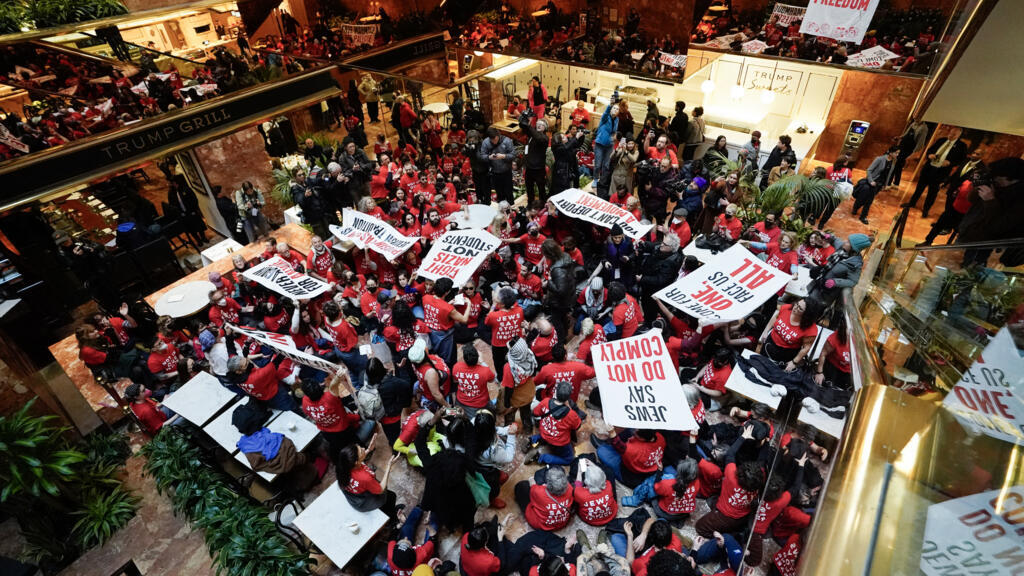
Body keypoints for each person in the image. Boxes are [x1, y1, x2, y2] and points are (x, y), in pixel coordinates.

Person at [233, 400, 320, 492]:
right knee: (306, 456)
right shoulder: (272, 437)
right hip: (304, 470)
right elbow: (288, 444)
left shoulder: (245, 446)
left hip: (291, 479)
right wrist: (304, 457)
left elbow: (257, 465)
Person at [905, 126, 967, 218]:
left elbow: (961, 160)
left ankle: (926, 209)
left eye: (954, 135)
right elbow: (930, 150)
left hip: (941, 172)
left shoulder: (962, 146)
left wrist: (950, 163)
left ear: (958, 135)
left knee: (932, 192)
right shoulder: (941, 140)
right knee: (919, 188)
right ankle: (911, 203)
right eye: (950, 133)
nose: (951, 135)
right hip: (929, 168)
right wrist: (929, 155)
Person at [336, 442, 401, 516]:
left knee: (390, 497)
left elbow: (358, 461)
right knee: (391, 497)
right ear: (356, 463)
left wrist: (369, 450)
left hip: (354, 496)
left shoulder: (343, 466)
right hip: (363, 501)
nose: (364, 448)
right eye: (361, 451)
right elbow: (381, 489)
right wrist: (389, 466)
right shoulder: (365, 478)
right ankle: (392, 519)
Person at [526, 382, 582, 466]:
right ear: (568, 398)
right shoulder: (571, 414)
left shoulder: (545, 402)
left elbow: (535, 413)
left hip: (545, 431)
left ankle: (531, 440)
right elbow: (577, 426)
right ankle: (540, 457)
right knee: (569, 459)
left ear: (555, 392)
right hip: (558, 442)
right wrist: (569, 407)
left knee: (546, 434)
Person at [758, 298, 822, 370]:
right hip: (770, 343)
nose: (795, 308)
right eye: (796, 304)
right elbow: (775, 318)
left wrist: (794, 362)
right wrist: (766, 331)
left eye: (800, 309)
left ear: (807, 314)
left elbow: (806, 348)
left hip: (786, 353)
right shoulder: (786, 308)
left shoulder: (811, 330)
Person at [808, 233, 870, 304]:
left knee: (812, 306)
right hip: (819, 281)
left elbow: (853, 281)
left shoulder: (855, 264)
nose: (844, 242)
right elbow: (835, 239)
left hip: (826, 293)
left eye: (848, 242)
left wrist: (835, 282)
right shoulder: (842, 248)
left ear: (853, 247)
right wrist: (829, 236)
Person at [421, 278, 468, 368]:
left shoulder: (425, 298)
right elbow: (464, 319)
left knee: (435, 356)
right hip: (444, 336)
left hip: (430, 332)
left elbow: (437, 307)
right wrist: (469, 304)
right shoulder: (448, 308)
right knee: (448, 360)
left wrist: (448, 304)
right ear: (447, 292)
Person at [225, 353, 297, 411]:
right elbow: (274, 364)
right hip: (277, 396)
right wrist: (283, 351)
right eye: (246, 364)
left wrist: (229, 337)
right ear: (239, 371)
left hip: (263, 396)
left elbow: (231, 351)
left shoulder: (233, 376)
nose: (249, 362)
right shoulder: (255, 378)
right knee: (292, 407)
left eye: (247, 360)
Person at [515, 465, 574, 532]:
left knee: (522, 486)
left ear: (547, 484)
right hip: (562, 523)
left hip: (541, 525)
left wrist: (532, 479)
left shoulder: (538, 492)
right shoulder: (570, 488)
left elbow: (532, 483)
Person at [851, 148, 896, 225]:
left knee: (868, 200)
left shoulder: (893, 163)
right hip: (871, 182)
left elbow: (888, 175)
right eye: (896, 153)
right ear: (891, 153)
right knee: (868, 200)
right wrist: (871, 181)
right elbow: (869, 170)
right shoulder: (879, 159)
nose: (897, 155)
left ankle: (856, 209)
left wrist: (885, 185)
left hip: (879, 185)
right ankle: (862, 215)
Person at [452, 344, 496, 417]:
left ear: (464, 359)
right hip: (480, 403)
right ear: (478, 357)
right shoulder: (485, 371)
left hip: (461, 401)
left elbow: (455, 380)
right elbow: (492, 380)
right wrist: (482, 361)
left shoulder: (456, 367)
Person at [572, 458, 617, 526]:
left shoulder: (580, 493)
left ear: (586, 482)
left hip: (591, 520)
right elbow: (601, 475)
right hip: (611, 515)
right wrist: (593, 465)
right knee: (609, 472)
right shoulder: (608, 485)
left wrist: (579, 471)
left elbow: (578, 485)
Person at [480, 127, 516, 204]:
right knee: (499, 194)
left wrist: (504, 156)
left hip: (506, 171)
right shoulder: (485, 142)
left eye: (496, 140)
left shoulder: (507, 141)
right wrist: (489, 157)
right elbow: (482, 156)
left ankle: (512, 209)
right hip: (494, 172)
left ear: (499, 136)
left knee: (509, 192)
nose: (495, 142)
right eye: (492, 141)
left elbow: (513, 155)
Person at [888, 117, 928, 186]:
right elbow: (906, 134)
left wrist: (913, 154)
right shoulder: (914, 123)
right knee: (898, 166)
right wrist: (899, 137)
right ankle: (896, 183)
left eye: (917, 118)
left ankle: (888, 183)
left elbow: (920, 143)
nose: (915, 119)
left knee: (896, 164)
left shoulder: (924, 128)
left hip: (909, 149)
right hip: (902, 146)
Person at [520, 116, 550, 205]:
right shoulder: (532, 135)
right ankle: (530, 204)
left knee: (541, 189)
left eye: (542, 125)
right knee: (529, 188)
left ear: (545, 128)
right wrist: (523, 119)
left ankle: (543, 204)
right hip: (529, 167)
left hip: (538, 169)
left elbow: (538, 137)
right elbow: (523, 127)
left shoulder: (544, 138)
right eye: (538, 124)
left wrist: (529, 126)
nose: (539, 126)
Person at [593, 95, 620, 183]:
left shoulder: (617, 120)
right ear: (611, 109)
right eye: (614, 108)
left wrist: (614, 136)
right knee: (598, 164)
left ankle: (603, 181)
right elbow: (605, 113)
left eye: (617, 109)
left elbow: (614, 131)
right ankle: (595, 179)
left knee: (606, 165)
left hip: (609, 145)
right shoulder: (605, 117)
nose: (615, 110)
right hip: (600, 143)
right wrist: (610, 105)